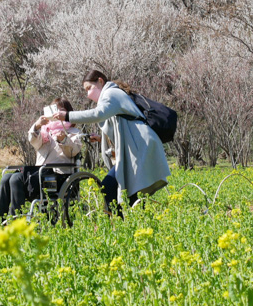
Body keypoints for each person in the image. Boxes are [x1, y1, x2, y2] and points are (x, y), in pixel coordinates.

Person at [54, 70, 170, 211]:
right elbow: (120, 127)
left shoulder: (111, 93)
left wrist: (67, 116)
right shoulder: (112, 95)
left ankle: (123, 227)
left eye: (89, 88)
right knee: (127, 192)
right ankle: (127, 226)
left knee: (117, 189)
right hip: (136, 147)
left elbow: (98, 114)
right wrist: (102, 138)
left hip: (140, 147)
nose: (88, 94)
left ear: (100, 81)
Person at [0, 98, 82, 222]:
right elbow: (33, 140)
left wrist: (64, 140)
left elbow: (73, 151)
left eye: (60, 110)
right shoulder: (46, 131)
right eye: (53, 109)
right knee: (6, 178)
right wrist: (37, 125)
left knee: (15, 178)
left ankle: (15, 221)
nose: (56, 113)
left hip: (59, 176)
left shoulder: (73, 133)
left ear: (68, 113)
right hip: (40, 174)